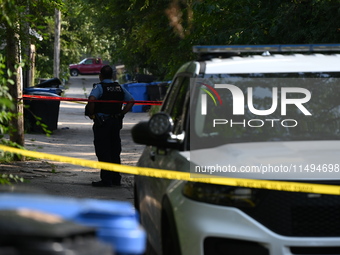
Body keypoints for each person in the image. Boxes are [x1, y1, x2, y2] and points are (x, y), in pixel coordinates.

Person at [86, 65, 134, 187]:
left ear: (100, 76)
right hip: (115, 122)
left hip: (103, 123)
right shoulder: (119, 87)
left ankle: (106, 179)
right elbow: (131, 101)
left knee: (103, 150)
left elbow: (91, 100)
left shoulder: (99, 87)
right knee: (115, 150)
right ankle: (116, 178)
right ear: (112, 76)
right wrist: (122, 113)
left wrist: (92, 114)